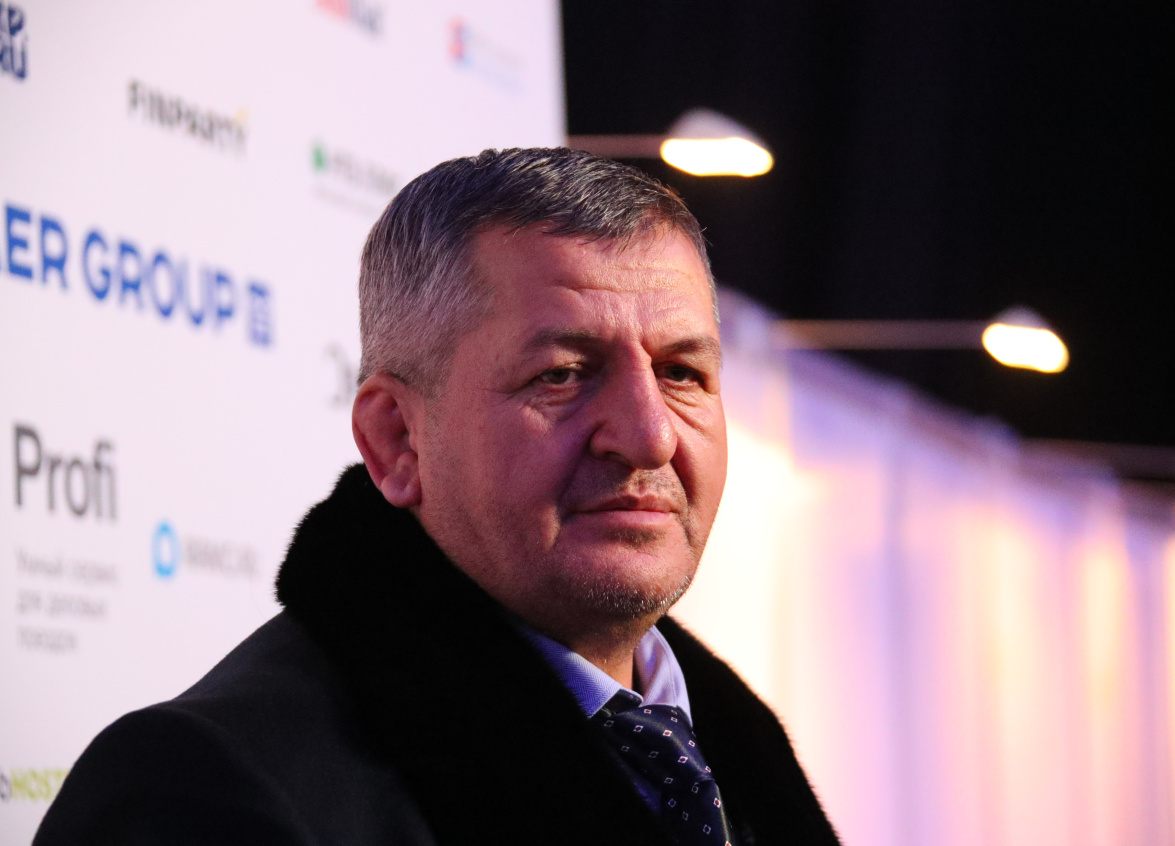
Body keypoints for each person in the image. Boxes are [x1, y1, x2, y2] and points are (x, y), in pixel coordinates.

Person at [35, 148, 840, 846]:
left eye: (683, 373)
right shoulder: (197, 788)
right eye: (563, 374)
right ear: (396, 439)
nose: (650, 434)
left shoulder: (730, 759)